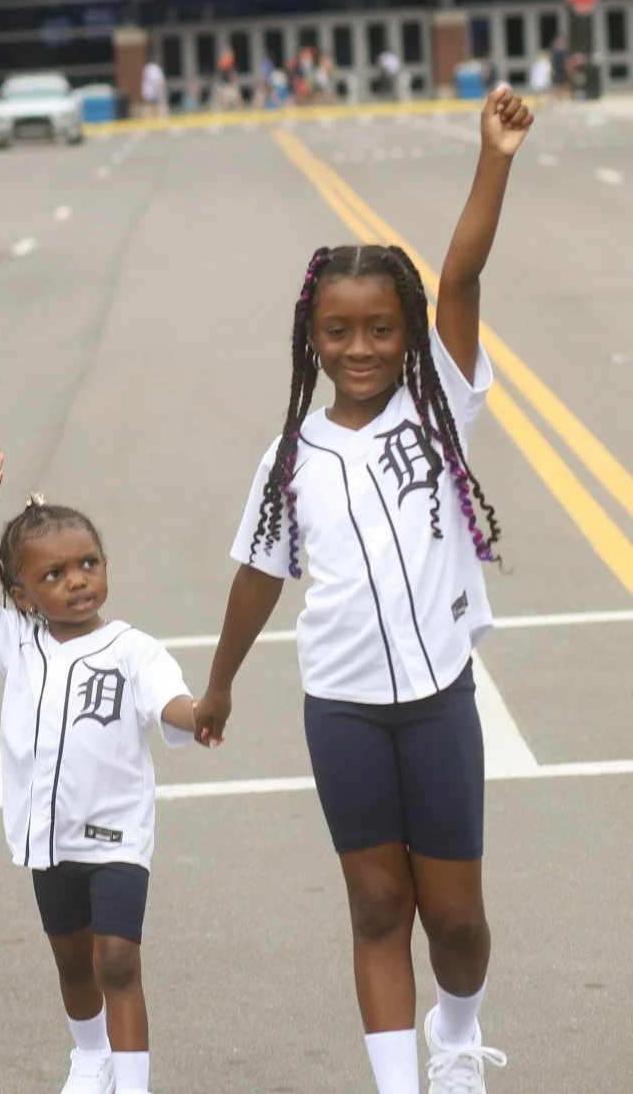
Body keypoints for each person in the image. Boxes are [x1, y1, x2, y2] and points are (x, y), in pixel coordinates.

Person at [194, 86, 534, 1094]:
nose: (357, 349)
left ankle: (458, 1028)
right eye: (337, 332)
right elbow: (258, 574)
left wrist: (495, 156)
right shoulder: (288, 458)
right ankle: (400, 1080)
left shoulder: (439, 404)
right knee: (378, 904)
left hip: (436, 699)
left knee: (457, 919)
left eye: (378, 329)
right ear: (312, 338)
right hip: (339, 705)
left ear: (406, 331)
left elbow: (462, 270)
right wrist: (216, 686)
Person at [0, 451, 196, 1094]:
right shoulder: (15, 640)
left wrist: (200, 712)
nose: (77, 580)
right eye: (54, 574)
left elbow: (173, 703)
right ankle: (90, 1055)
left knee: (117, 960)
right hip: (46, 839)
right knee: (73, 960)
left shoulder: (134, 649)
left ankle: (131, 1082)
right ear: (23, 596)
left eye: (88, 563)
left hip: (117, 838)